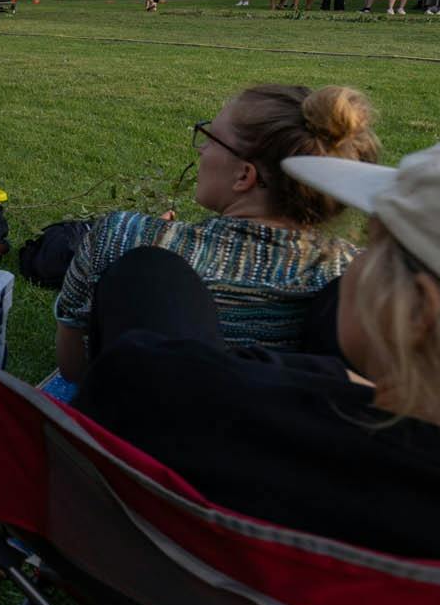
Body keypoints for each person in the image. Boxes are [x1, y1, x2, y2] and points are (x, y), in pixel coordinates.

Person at [73, 130, 440, 562]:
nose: (356, 260)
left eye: (373, 246)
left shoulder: (194, 406)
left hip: (200, 592)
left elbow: (135, 375)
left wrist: (316, 379)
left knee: (152, 274)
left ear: (418, 314)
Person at [54, 84, 381, 383]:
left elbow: (73, 368)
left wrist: (148, 237)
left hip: (132, 439)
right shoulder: (361, 281)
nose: (201, 151)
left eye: (211, 138)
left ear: (244, 175)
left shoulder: (121, 238)